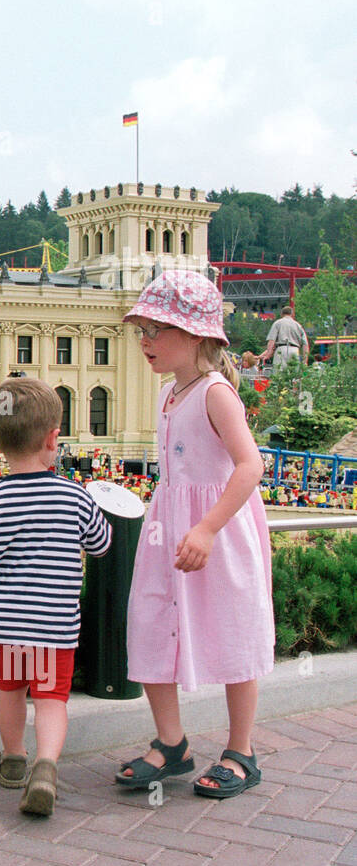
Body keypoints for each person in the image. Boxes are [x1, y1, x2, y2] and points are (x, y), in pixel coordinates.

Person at [117, 269, 273, 799]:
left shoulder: (215, 393)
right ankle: (172, 742)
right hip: (169, 534)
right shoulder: (169, 395)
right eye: (142, 329)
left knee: (233, 626)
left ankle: (242, 749)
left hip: (218, 533)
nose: (145, 340)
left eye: (156, 330)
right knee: (151, 620)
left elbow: (249, 466)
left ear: (195, 335)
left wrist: (207, 529)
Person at [0, 376, 112, 816]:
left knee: (10, 689)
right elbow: (101, 543)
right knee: (52, 699)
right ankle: (46, 768)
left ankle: (14, 759)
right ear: (53, 438)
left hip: (5, 624)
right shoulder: (74, 496)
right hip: (54, 623)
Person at [261, 305, 308, 370]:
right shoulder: (298, 325)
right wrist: (305, 361)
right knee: (293, 375)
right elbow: (305, 344)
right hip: (295, 350)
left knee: (279, 375)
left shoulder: (277, 323)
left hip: (281, 349)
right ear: (292, 314)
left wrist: (268, 355)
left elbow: (271, 341)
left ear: (281, 314)